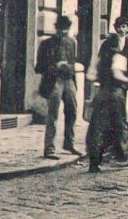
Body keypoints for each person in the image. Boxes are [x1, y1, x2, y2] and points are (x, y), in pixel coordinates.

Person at [87, 17, 128, 173]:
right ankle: (120, 155)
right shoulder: (115, 48)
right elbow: (117, 72)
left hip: (104, 92)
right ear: (116, 28)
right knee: (118, 124)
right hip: (115, 92)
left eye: (125, 26)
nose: (122, 29)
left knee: (98, 125)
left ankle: (95, 161)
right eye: (120, 27)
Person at [36, 14, 80, 160]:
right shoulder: (46, 44)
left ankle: (69, 143)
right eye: (61, 29)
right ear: (56, 28)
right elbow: (39, 67)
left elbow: (74, 61)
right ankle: (49, 148)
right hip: (54, 81)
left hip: (69, 81)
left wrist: (71, 67)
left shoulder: (72, 42)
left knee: (72, 112)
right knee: (53, 115)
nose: (64, 32)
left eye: (66, 29)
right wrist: (55, 66)